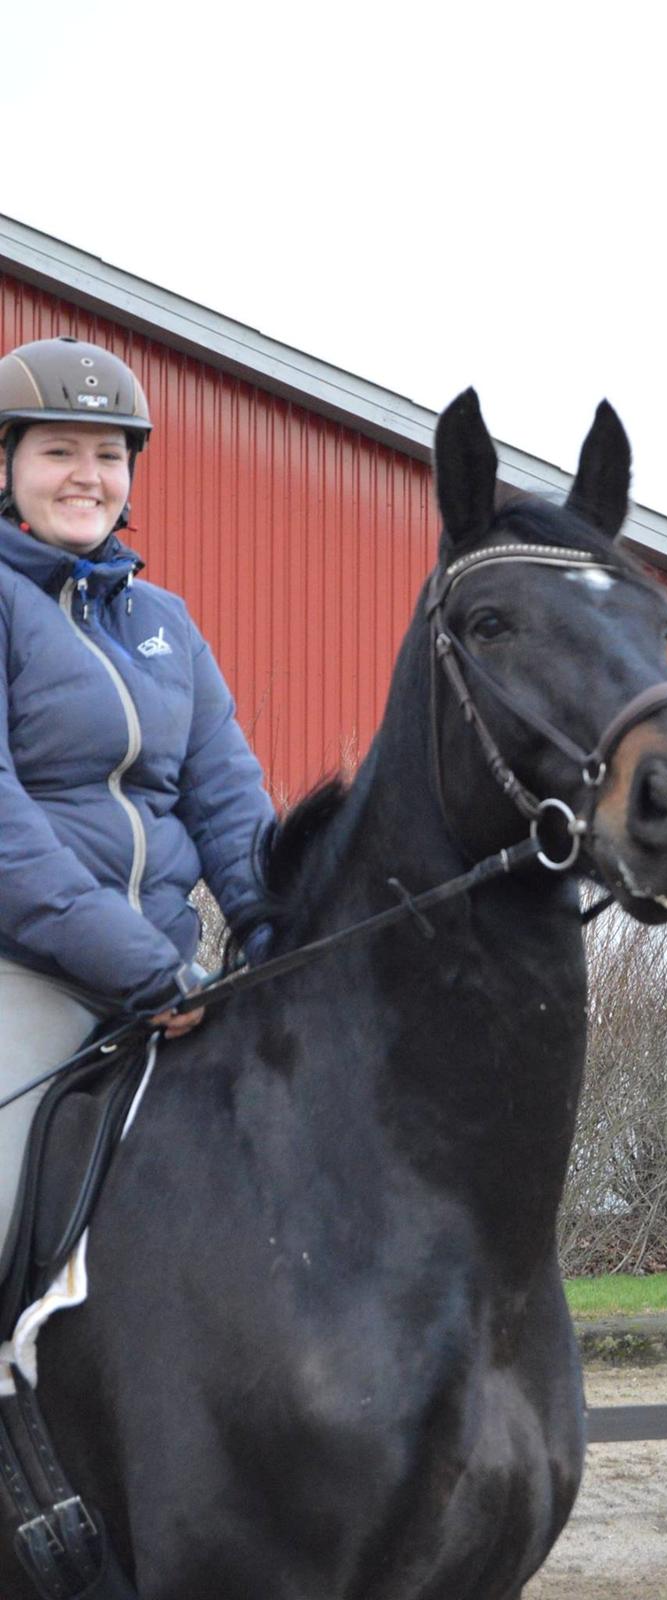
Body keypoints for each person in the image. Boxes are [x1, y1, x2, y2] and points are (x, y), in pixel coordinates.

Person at [0, 335, 275, 1266]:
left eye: (108, 455)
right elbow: (6, 838)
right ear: (6, 464)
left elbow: (231, 805)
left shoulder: (167, 624)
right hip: (28, 975)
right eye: (58, 451)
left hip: (173, 979)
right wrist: (139, 970)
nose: (87, 476)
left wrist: (285, 943)